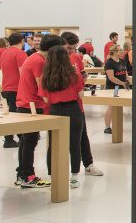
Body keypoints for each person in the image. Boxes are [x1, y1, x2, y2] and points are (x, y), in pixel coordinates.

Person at [15, 34, 64, 188]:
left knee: (26, 141)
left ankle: (23, 174)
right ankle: (28, 176)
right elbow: (42, 87)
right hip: (31, 106)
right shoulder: (39, 61)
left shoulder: (35, 58)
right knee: (29, 141)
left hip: (26, 104)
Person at [40, 44, 85, 189]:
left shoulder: (46, 76)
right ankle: (74, 177)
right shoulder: (74, 73)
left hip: (54, 111)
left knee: (53, 145)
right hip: (73, 109)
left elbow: (45, 99)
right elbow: (81, 95)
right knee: (75, 144)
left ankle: (53, 176)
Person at [61, 31, 103, 177]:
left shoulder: (76, 57)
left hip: (76, 103)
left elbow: (83, 75)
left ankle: (88, 164)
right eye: (69, 48)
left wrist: (79, 83)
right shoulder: (54, 59)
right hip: (59, 104)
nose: (72, 51)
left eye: (74, 48)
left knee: (82, 135)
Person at [0, 34, 26, 149]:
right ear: (22, 41)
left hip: (6, 87)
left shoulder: (5, 53)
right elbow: (23, 73)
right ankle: (10, 139)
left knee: (10, 114)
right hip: (16, 88)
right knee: (17, 115)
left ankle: (11, 138)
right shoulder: (20, 53)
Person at [103, 44, 129, 134]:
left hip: (121, 87)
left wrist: (127, 80)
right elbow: (111, 78)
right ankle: (107, 127)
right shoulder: (109, 63)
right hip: (113, 88)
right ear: (114, 52)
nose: (122, 51)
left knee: (119, 106)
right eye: (120, 50)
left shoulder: (122, 61)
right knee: (111, 106)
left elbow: (125, 72)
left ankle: (117, 125)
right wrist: (123, 83)